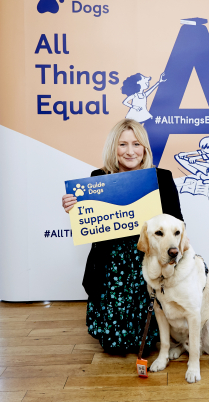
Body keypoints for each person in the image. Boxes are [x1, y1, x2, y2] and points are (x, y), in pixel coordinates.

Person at [62, 119, 183, 354]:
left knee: (146, 345)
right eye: (123, 144)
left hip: (147, 261)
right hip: (111, 265)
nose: (130, 151)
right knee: (112, 347)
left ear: (145, 148)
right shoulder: (98, 178)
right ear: (113, 148)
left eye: (136, 144)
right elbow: (90, 221)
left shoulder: (161, 178)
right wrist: (74, 207)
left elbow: (177, 222)